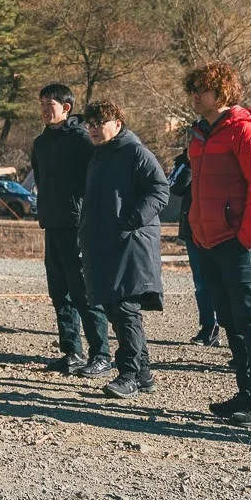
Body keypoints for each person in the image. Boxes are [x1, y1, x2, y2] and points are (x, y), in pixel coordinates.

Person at [183, 61, 251, 430]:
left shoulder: (246, 131)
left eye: (202, 89)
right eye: (193, 89)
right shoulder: (199, 134)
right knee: (230, 320)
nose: (195, 96)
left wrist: (248, 238)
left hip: (240, 244)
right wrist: (197, 230)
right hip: (209, 241)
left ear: (222, 91)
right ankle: (246, 394)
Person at [78, 101, 169, 400]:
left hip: (131, 243)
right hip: (104, 243)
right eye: (90, 123)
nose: (93, 128)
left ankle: (129, 375)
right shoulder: (98, 155)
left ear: (117, 124)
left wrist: (130, 222)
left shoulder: (135, 152)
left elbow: (160, 190)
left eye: (99, 122)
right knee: (115, 309)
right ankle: (143, 374)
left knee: (126, 308)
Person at [30, 83, 108, 376]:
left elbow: (96, 180)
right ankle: (72, 351)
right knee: (59, 292)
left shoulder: (81, 139)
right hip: (52, 224)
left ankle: (101, 354)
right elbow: (40, 179)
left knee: (83, 292)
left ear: (66, 107)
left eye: (49, 104)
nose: (44, 109)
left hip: (78, 226)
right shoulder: (40, 143)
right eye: (41, 103)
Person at [168, 149, 221, 347]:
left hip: (223, 229)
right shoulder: (184, 161)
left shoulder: (224, 153)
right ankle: (209, 328)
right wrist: (190, 163)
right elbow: (175, 188)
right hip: (194, 231)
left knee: (229, 281)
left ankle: (239, 331)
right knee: (202, 283)